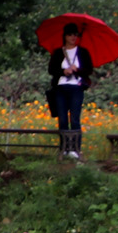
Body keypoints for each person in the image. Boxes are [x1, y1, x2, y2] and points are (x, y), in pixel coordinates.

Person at [47, 24, 93, 158]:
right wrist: (64, 71)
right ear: (65, 36)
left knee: (74, 118)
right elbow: (51, 70)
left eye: (75, 35)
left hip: (76, 88)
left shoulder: (82, 52)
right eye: (70, 34)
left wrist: (77, 70)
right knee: (62, 119)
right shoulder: (58, 52)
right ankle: (64, 148)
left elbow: (89, 70)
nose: (73, 37)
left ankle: (75, 149)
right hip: (60, 88)